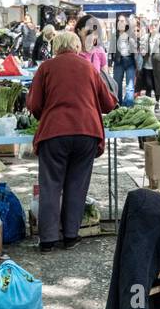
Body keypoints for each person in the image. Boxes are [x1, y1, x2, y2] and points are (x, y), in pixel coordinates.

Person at [26, 31, 117, 252]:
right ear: (76, 46)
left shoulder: (46, 67)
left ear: (56, 47)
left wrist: (47, 115)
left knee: (50, 185)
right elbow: (108, 104)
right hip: (86, 131)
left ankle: (47, 240)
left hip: (54, 132)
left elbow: (34, 104)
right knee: (77, 185)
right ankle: (70, 236)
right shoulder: (88, 67)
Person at [109, 13, 139, 105]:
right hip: (118, 62)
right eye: (118, 21)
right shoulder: (114, 35)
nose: (120, 23)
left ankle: (129, 107)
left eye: (122, 21)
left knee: (130, 86)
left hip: (130, 62)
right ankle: (118, 105)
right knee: (117, 85)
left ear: (126, 23)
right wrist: (109, 63)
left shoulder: (132, 34)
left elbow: (138, 47)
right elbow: (111, 50)